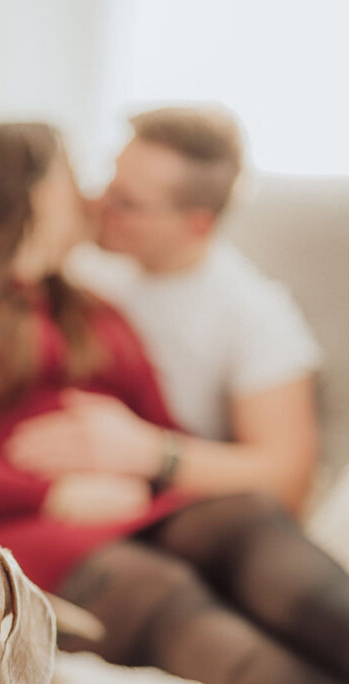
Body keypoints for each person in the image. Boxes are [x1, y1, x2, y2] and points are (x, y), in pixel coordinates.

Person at [0, 121, 349, 684]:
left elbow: (161, 431)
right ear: (36, 191)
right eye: (76, 179)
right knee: (164, 590)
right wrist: (49, 495)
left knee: (245, 519)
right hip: (0, 528)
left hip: (122, 505)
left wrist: (135, 461)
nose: (94, 200)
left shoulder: (94, 307)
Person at [67, 105, 322, 515]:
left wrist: (151, 452)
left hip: (168, 505)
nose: (98, 204)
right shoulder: (78, 258)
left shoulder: (255, 313)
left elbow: (289, 478)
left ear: (197, 224)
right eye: (108, 181)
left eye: (127, 202)